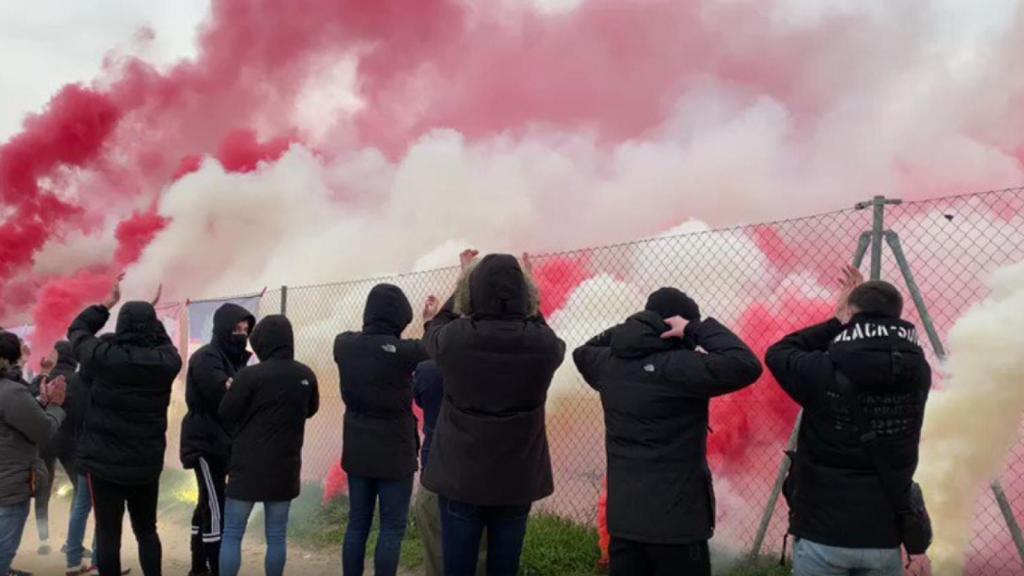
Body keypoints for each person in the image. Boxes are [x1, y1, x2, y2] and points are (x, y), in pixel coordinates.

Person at [573, 288, 763, 576]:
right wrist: (695, 329)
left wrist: (634, 328)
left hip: (625, 525)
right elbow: (745, 364)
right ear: (675, 328)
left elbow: (582, 351)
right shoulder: (684, 368)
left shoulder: (608, 365)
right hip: (679, 530)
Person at [765, 266, 932, 576]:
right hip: (883, 536)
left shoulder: (823, 370)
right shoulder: (918, 370)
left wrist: (837, 322)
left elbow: (779, 352)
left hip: (822, 532)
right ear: (897, 315)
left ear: (853, 314)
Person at [422, 250, 566, 576]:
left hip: (461, 478)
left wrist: (462, 282)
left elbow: (434, 327)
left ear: (473, 292)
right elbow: (542, 327)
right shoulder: (543, 345)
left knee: (457, 568)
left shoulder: (456, 341)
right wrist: (529, 290)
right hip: (516, 480)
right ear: (523, 294)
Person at [68, 278, 182, 576]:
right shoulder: (167, 362)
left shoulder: (103, 358)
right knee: (147, 530)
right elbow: (163, 341)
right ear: (154, 327)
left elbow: (77, 330)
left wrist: (106, 305)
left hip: (103, 464)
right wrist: (149, 316)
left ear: (120, 326)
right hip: (145, 462)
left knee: (108, 534)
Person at [335, 284, 430, 576]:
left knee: (357, 523)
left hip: (357, 449)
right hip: (394, 451)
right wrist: (429, 320)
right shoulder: (405, 352)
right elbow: (431, 346)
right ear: (399, 316)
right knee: (391, 527)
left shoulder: (343, 344)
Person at [218, 315, 319, 576]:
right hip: (284, 467)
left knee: (232, 533)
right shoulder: (305, 374)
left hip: (246, 467)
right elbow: (310, 410)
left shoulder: (249, 376)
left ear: (262, 343)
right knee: (276, 536)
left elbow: (226, 412)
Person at [180, 304, 255, 576]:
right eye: (237, 329)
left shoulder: (233, 359)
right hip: (204, 443)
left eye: (246, 329)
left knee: (206, 504)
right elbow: (222, 392)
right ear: (224, 328)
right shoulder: (207, 357)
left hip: (221, 441)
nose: (242, 334)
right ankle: (216, 566)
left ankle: (198, 565)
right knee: (215, 505)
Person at [410, 360, 485, 576]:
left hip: (436, 473)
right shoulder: (495, 364)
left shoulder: (428, 370)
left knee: (437, 554)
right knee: (480, 553)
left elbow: (420, 400)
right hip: (482, 476)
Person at [0, 331, 67, 575]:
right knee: (4, 545)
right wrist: (56, 407)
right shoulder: (10, 391)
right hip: (8, 485)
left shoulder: (12, 392)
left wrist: (39, 398)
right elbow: (44, 430)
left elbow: (16, 414)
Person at [27, 342, 76, 558]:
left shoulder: (43, 379)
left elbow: (29, 400)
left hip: (45, 439)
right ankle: (71, 540)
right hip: (71, 442)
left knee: (43, 489)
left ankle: (44, 539)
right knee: (80, 489)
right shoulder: (78, 380)